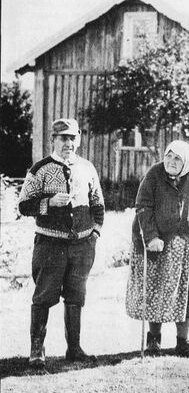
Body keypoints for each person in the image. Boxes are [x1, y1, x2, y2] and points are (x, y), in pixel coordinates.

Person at [18, 118, 105, 368]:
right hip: (49, 246)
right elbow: (24, 205)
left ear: (78, 140)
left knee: (76, 297)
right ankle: (37, 350)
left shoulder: (87, 168)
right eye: (63, 138)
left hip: (82, 246)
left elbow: (98, 204)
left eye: (72, 138)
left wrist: (95, 234)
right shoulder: (40, 169)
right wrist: (48, 203)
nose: (68, 143)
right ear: (53, 139)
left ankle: (74, 348)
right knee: (44, 296)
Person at [126, 140, 189, 358]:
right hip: (158, 244)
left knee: (186, 291)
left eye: (177, 158)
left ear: (186, 161)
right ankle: (153, 341)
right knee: (157, 289)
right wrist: (152, 237)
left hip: (188, 245)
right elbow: (143, 206)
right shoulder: (155, 173)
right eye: (169, 156)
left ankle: (183, 341)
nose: (172, 162)